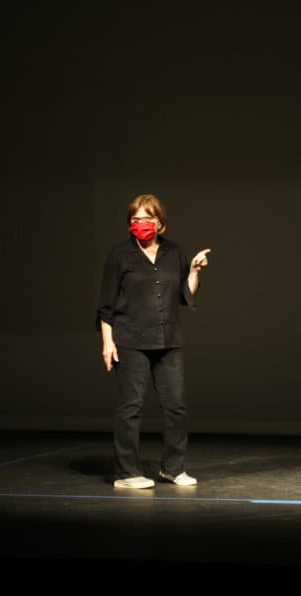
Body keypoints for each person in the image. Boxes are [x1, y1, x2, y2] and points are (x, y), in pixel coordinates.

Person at [96, 193, 212, 489]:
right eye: (136, 219)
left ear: (159, 222)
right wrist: (108, 344)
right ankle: (127, 473)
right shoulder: (120, 255)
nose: (141, 224)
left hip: (169, 340)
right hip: (130, 340)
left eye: (147, 218)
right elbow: (106, 306)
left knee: (176, 406)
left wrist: (195, 271)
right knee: (130, 407)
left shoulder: (173, 252)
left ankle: (173, 468)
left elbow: (185, 295)